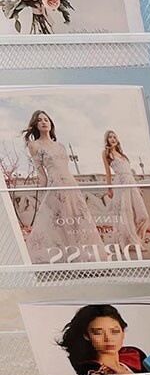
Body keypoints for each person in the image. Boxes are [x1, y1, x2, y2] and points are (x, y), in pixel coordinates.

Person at [22, 110, 104, 264]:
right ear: (35, 125)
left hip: (72, 187)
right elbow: (42, 174)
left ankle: (82, 258)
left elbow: (66, 169)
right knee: (60, 224)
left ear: (51, 123)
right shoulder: (34, 145)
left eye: (46, 119)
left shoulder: (60, 146)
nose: (44, 122)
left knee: (77, 221)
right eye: (40, 120)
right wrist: (42, 196)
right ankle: (66, 259)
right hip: (56, 188)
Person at [102, 129, 150, 253]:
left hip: (131, 183)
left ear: (117, 140)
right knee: (126, 215)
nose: (113, 139)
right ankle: (133, 243)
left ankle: (138, 239)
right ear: (107, 140)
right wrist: (109, 188)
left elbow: (129, 172)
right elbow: (108, 173)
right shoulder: (106, 153)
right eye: (110, 137)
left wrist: (137, 187)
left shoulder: (122, 155)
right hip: (120, 184)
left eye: (114, 137)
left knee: (143, 215)